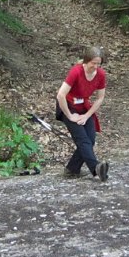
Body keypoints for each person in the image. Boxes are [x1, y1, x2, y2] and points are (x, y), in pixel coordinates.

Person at [55, 46, 108, 181]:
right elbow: (61, 95)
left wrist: (87, 115)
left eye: (98, 64)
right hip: (67, 106)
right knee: (83, 139)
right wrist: (69, 115)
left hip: (84, 107)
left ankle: (71, 170)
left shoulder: (100, 74)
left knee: (90, 139)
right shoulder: (76, 72)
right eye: (93, 63)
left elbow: (100, 98)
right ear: (86, 61)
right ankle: (96, 169)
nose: (96, 66)